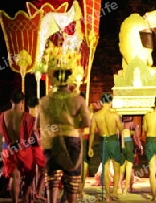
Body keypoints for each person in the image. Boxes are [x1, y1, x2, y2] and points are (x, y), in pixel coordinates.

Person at [37, 69, 90, 203]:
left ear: (54, 80)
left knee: (52, 180)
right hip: (72, 139)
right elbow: (86, 123)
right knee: (71, 180)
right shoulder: (78, 99)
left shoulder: (45, 101)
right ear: (69, 81)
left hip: (52, 139)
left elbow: (37, 125)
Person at [0, 91, 36, 203]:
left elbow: (2, 135)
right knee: (29, 176)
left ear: (11, 101)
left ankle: (15, 201)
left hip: (9, 149)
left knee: (15, 176)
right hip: (24, 149)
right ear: (22, 102)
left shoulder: (3, 115)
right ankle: (26, 198)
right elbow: (32, 135)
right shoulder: (27, 117)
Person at [88, 93, 124, 202]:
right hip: (113, 140)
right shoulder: (114, 115)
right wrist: (123, 144)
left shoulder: (95, 116)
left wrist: (90, 147)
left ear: (101, 102)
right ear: (111, 102)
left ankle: (108, 196)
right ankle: (114, 191)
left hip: (103, 141)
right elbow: (121, 130)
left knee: (106, 169)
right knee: (117, 167)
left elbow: (92, 133)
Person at [26, 96, 46, 201]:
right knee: (44, 170)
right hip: (37, 146)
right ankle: (37, 192)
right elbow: (37, 131)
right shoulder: (38, 117)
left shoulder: (24, 117)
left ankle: (31, 193)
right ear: (37, 105)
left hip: (25, 147)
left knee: (31, 171)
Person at [118, 116, 143, 195]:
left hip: (121, 145)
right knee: (129, 169)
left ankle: (119, 187)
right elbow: (136, 137)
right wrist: (140, 146)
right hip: (129, 145)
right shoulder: (133, 124)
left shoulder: (120, 124)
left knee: (121, 169)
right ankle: (125, 189)